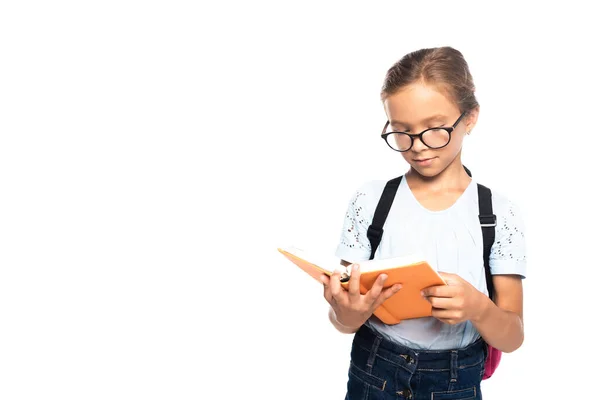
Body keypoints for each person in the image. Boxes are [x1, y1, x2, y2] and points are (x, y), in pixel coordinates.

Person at [320, 46, 526, 400]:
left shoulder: (497, 213)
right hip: (374, 365)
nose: (417, 147)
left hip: (455, 378)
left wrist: (478, 306)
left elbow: (513, 336)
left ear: (470, 118)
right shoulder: (370, 201)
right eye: (401, 131)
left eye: (434, 129)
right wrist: (345, 313)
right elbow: (344, 321)